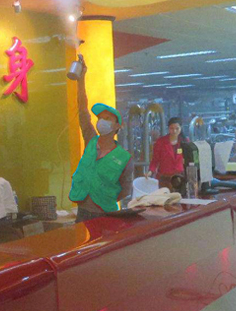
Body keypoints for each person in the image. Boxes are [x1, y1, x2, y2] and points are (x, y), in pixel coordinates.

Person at [68, 56, 133, 222]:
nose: (102, 121)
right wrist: (81, 79)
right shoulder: (91, 140)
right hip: (82, 212)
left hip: (106, 213)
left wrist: (104, 196)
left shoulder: (124, 158)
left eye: (107, 118)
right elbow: (83, 111)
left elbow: (125, 189)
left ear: (117, 126)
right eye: (100, 118)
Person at [149, 117, 185, 191]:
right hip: (164, 178)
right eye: (172, 128)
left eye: (177, 128)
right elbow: (155, 160)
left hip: (179, 178)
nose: (174, 131)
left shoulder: (185, 142)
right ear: (168, 128)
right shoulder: (160, 142)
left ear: (181, 128)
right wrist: (150, 171)